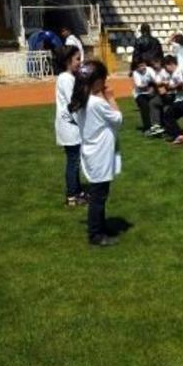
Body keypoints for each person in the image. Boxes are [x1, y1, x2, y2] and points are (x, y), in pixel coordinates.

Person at [68, 60, 121, 247]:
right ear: (97, 81)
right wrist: (110, 97)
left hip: (92, 151)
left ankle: (101, 227)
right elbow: (118, 119)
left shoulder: (81, 102)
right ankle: (95, 234)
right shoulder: (97, 103)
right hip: (100, 154)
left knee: (100, 193)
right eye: (103, 79)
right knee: (98, 196)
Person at [54, 45, 86, 206]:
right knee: (73, 161)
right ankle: (72, 196)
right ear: (68, 61)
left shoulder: (70, 77)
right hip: (69, 126)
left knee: (75, 161)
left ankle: (77, 191)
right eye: (77, 59)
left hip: (72, 125)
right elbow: (72, 104)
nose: (80, 62)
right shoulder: (65, 78)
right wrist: (84, 124)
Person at [131, 55, 164, 136]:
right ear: (136, 68)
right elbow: (140, 86)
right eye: (139, 66)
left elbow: (156, 80)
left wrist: (153, 86)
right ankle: (147, 128)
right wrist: (150, 85)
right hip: (140, 94)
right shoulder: (135, 73)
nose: (142, 68)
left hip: (151, 91)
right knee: (144, 107)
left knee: (156, 104)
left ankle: (159, 125)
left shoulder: (149, 70)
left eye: (143, 65)